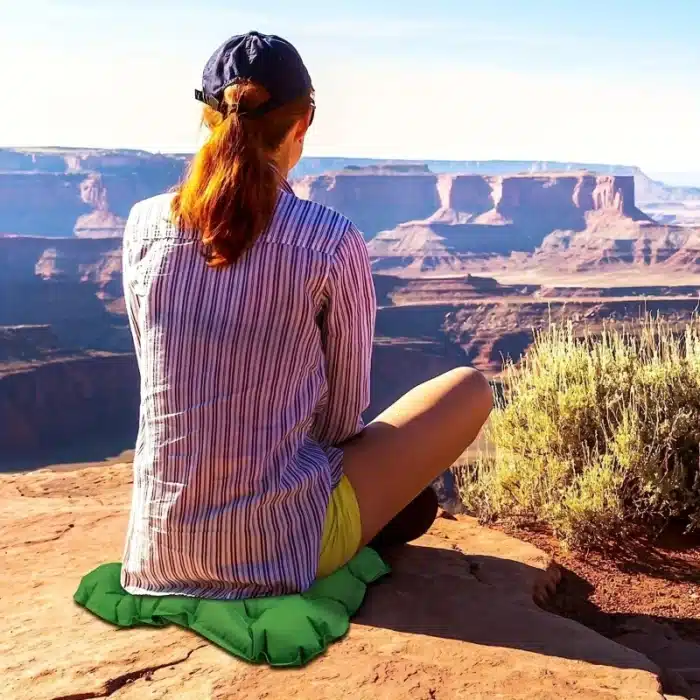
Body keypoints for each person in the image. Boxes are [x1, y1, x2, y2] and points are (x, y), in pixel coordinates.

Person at [120, 31, 493, 600]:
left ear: (206, 118)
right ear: (303, 123)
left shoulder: (143, 226)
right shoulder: (328, 240)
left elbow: (156, 373)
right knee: (469, 388)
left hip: (160, 546)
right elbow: (342, 422)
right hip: (281, 548)